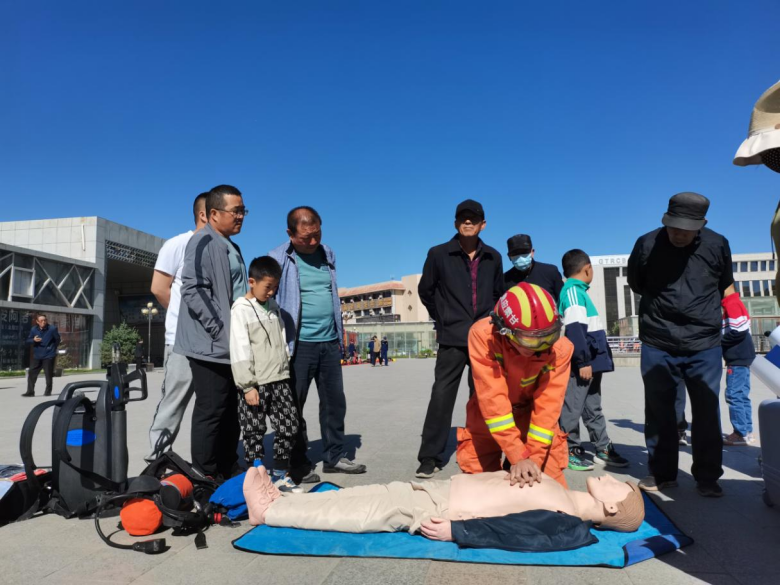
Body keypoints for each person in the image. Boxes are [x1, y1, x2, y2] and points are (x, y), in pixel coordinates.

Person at [628, 192, 735, 497]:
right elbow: (637, 282)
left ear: (701, 225)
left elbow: (725, 283)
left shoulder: (717, 244)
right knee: (659, 410)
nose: (678, 234)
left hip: (704, 342)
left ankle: (708, 477)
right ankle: (662, 474)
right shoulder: (647, 244)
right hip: (658, 339)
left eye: (686, 230)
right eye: (673, 227)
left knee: (706, 410)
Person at [243, 466, 645, 543]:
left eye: (617, 488)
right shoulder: (564, 493)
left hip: (443, 509)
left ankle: (271, 511)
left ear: (611, 509)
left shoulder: (568, 522)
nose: (611, 478)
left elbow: (517, 534)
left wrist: (459, 531)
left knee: (357, 513)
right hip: (440, 489)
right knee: (358, 495)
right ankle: (285, 499)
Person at [270, 206, 366, 478]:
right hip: (298, 346)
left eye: (317, 234)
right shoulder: (277, 258)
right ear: (290, 234)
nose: (313, 241)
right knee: (293, 406)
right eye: (305, 237)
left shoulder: (327, 254)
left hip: (329, 342)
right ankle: (296, 462)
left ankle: (334, 457)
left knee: (335, 404)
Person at [416, 199, 504, 478]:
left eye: (473, 219)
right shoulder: (438, 254)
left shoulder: (493, 257)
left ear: (482, 225)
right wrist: (443, 318)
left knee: (482, 397)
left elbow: (498, 294)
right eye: (463, 218)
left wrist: (489, 323)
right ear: (455, 223)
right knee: (441, 396)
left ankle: (483, 452)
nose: (468, 222)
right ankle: (429, 456)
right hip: (452, 337)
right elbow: (426, 290)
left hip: (484, 339)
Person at [457, 283, 573, 487]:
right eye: (530, 341)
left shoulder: (560, 349)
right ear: (505, 330)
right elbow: (493, 399)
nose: (540, 347)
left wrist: (532, 460)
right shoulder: (483, 336)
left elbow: (548, 407)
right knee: (479, 489)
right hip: (488, 417)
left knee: (550, 486)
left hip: (532, 417)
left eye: (548, 337)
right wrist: (517, 455)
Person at [174, 184, 248, 481]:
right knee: (212, 409)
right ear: (214, 213)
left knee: (230, 409)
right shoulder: (203, 241)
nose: (241, 216)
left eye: (243, 211)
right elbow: (193, 288)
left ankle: (228, 467)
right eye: (236, 211)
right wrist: (220, 329)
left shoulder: (230, 245)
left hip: (231, 345)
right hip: (210, 345)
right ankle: (204, 475)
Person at [146, 192, 208, 462]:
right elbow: (159, 288)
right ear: (205, 214)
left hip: (214, 342)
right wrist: (185, 319)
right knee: (173, 403)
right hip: (182, 341)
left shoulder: (224, 249)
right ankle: (156, 461)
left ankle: (209, 463)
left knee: (213, 406)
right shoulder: (178, 244)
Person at [230, 256, 301, 491]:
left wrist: (285, 363)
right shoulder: (241, 309)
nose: (271, 292)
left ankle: (280, 474)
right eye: (267, 286)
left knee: (289, 425)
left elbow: (281, 337)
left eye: (275, 287)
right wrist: (247, 385)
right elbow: (239, 348)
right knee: (253, 430)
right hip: (255, 383)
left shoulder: (273, 307)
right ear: (252, 281)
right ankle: (256, 478)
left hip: (279, 378)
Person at [557, 250, 629, 472]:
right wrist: (583, 361)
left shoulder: (580, 292)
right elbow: (575, 329)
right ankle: (568, 449)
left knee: (592, 406)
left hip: (591, 362)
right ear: (587, 268)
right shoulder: (572, 292)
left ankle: (602, 447)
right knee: (572, 407)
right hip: (583, 363)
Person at [721, 291, 756, 446]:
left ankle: (740, 433)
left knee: (733, 395)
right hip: (742, 357)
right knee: (741, 395)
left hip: (737, 357)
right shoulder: (735, 302)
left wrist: (718, 340)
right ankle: (747, 432)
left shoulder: (731, 303)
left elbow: (739, 329)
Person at [503, 234, 563, 300]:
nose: (520, 256)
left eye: (524, 252)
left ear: (532, 252)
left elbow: (563, 302)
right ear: (509, 257)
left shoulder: (551, 272)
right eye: (515, 253)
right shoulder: (504, 280)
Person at [22, 314, 60, 397]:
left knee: (48, 374)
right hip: (37, 355)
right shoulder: (34, 329)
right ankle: (30, 392)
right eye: (41, 321)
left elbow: (57, 339)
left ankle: (47, 392)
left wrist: (52, 348)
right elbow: (28, 340)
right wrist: (33, 340)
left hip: (48, 355)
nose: (43, 322)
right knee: (32, 373)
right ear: (37, 322)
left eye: (45, 320)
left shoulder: (52, 329)